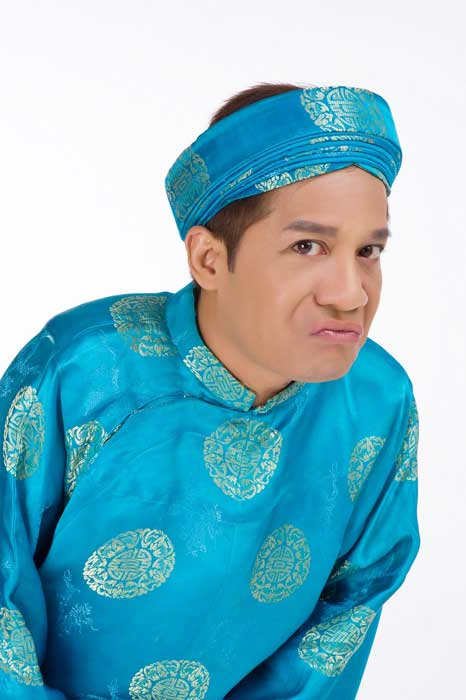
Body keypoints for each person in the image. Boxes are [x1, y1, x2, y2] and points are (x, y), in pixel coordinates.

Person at [0, 82, 420, 700]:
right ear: (209, 259)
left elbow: (348, 610)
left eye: (369, 250)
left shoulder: (377, 402)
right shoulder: (85, 371)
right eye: (308, 246)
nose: (351, 292)